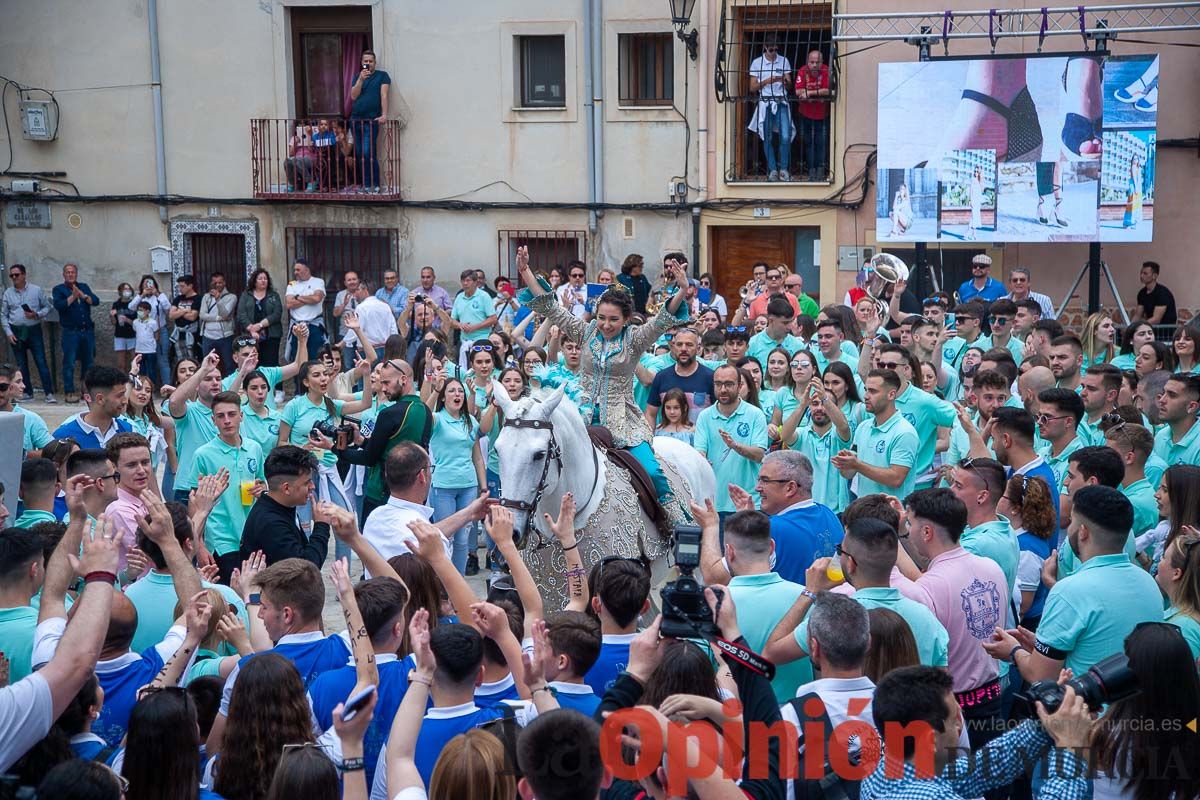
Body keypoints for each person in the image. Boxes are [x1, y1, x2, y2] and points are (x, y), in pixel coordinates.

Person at [519, 247, 693, 522]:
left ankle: (674, 524)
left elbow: (661, 321)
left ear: (626, 319)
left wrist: (682, 289)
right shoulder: (585, 331)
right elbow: (551, 307)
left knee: (651, 470)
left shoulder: (635, 339)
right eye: (601, 318)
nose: (606, 325)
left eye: (613, 319)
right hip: (580, 416)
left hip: (622, 421)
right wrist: (526, 271)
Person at [986, 487, 1161, 682]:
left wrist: (1014, 650)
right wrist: (1042, 647)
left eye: (1071, 522)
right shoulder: (1149, 582)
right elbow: (1097, 644)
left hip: (1086, 708)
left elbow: (1040, 676)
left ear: (1083, 532)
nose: (1068, 529)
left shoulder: (1069, 591)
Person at [864, 665, 1095, 800]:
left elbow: (986, 767)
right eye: (955, 717)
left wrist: (1045, 720)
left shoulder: (884, 770)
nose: (960, 723)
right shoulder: (933, 796)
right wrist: (1070, 747)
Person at [0, 515, 119, 773]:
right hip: (48, 762)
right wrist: (101, 575)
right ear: (35, 570)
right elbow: (78, 663)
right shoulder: (48, 636)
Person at [894, 489, 1010, 749]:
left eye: (910, 523)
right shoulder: (991, 568)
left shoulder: (927, 589)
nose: (908, 530)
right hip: (992, 698)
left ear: (927, 533)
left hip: (953, 711)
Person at [207, 558, 354, 756]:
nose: (259, 615)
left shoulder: (246, 671)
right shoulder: (349, 650)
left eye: (264, 607)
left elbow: (214, 748)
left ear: (287, 615)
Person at [694, 507, 810, 701]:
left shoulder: (712, 602)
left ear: (729, 552)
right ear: (772, 547)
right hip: (797, 719)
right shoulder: (805, 597)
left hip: (735, 719)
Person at [358, 442, 491, 573]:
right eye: (430, 468)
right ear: (422, 476)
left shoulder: (374, 518)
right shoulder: (432, 545)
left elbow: (427, 532)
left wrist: (469, 514)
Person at [193, 391, 266, 581]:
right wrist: (199, 545)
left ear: (241, 416)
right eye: (220, 416)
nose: (227, 420)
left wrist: (262, 489)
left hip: (252, 535)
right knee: (230, 598)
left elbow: (262, 481)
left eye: (232, 414)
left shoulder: (254, 448)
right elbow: (193, 503)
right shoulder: (203, 454)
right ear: (213, 420)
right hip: (221, 539)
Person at [833, 369, 920, 501]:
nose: (866, 396)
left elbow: (896, 478)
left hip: (891, 515)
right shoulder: (863, 427)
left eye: (873, 391)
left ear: (891, 395)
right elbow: (850, 474)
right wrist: (845, 464)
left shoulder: (904, 432)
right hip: (864, 510)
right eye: (866, 390)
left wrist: (857, 464)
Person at [695, 363, 769, 520]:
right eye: (718, 384)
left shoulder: (756, 414)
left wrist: (735, 446)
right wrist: (701, 461)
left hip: (748, 502)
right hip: (715, 503)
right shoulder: (705, 416)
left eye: (728, 384)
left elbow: (759, 454)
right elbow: (700, 451)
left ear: (740, 385)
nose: (722, 390)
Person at [239, 446, 330, 566]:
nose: (313, 486)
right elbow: (307, 568)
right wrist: (321, 525)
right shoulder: (271, 524)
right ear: (286, 488)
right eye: (307, 482)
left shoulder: (281, 504)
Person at [168, 351, 223, 503]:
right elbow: (174, 402)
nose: (215, 382)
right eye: (208, 379)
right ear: (197, 385)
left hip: (220, 488)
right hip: (190, 489)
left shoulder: (226, 415)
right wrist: (203, 370)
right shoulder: (189, 411)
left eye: (218, 379)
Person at [3, 263, 55, 402]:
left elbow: (48, 307)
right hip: (16, 331)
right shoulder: (8, 293)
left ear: (24, 275)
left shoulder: (36, 290)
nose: (14, 277)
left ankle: (49, 393)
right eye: (12, 275)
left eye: (17, 275)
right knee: (21, 363)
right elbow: (4, 314)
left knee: (41, 361)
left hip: (33, 330)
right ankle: (27, 392)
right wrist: (8, 332)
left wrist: (36, 314)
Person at [644, 328, 715, 427]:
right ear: (673, 347)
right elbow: (650, 414)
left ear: (698, 349)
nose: (683, 349)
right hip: (667, 440)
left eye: (689, 345)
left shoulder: (710, 377)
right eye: (679, 344)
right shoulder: (662, 377)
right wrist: (650, 440)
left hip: (700, 441)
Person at [52, 263, 100, 403]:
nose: (70, 274)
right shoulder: (58, 289)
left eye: (73, 272)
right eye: (68, 272)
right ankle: (69, 392)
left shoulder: (83, 286)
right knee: (69, 363)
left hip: (87, 331)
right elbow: (59, 306)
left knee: (89, 362)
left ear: (76, 274)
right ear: (64, 275)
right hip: (70, 332)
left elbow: (95, 301)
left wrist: (83, 296)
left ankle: (86, 391)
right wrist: (73, 296)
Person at [52, 366, 133, 449]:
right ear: (100, 399)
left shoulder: (129, 430)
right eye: (120, 395)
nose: (125, 401)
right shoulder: (63, 437)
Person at [748, 38, 793, 181]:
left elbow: (790, 84)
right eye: (771, 50)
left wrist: (784, 81)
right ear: (765, 48)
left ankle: (784, 169)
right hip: (765, 102)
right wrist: (767, 81)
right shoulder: (756, 63)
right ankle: (773, 169)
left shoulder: (784, 60)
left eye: (776, 50)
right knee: (767, 137)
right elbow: (752, 87)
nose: (774, 53)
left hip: (781, 101)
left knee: (785, 135)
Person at [349, 49, 391, 192]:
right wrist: (361, 79)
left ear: (375, 63)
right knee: (361, 154)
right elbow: (353, 96)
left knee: (368, 153)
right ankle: (366, 185)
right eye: (365, 61)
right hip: (355, 120)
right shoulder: (357, 77)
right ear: (361, 63)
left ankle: (376, 184)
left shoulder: (382, 76)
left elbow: (384, 95)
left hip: (371, 121)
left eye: (370, 61)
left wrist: (384, 114)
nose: (368, 64)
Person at [284, 259, 328, 372]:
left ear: (306, 269)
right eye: (294, 270)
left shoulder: (318, 282)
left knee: (316, 358)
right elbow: (289, 304)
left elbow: (317, 298)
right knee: (297, 359)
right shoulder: (291, 284)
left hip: (314, 326)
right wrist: (309, 298)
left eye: (298, 269)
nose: (295, 272)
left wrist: (297, 297)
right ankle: (298, 387)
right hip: (297, 327)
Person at [236, 268, 284, 369]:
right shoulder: (246, 295)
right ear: (254, 281)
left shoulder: (274, 295)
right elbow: (241, 314)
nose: (263, 281)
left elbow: (277, 314)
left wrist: (260, 325)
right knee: (252, 362)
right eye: (260, 278)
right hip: (250, 336)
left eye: (265, 279)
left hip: (271, 335)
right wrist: (252, 330)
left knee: (271, 364)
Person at [795, 49, 830, 181]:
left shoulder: (826, 70)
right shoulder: (803, 71)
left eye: (817, 62)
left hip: (822, 115)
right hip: (805, 114)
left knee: (821, 143)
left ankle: (820, 171)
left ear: (822, 62)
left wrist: (810, 93)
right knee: (809, 143)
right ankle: (811, 171)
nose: (814, 65)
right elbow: (798, 91)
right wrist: (818, 93)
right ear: (807, 62)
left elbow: (828, 90)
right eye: (812, 62)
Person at [1152, 373, 1200, 468]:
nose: (1162, 400)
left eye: (1172, 395)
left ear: (1191, 407)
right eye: (1163, 393)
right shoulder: (1160, 436)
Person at [198, 273, 237, 373]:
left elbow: (225, 314)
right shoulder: (206, 297)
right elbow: (202, 315)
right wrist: (217, 318)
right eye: (215, 283)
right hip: (208, 336)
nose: (217, 285)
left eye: (220, 282)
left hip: (225, 337)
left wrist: (218, 299)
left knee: (229, 364)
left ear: (224, 283)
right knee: (208, 364)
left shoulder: (231, 297)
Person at [1131, 259, 1177, 332]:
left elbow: (1156, 319)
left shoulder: (1162, 293)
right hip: (1150, 330)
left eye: (1145, 273)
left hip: (1165, 333)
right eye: (1141, 273)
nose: (1141, 276)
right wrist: (1130, 327)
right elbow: (1137, 315)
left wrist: (1138, 327)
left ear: (1154, 276)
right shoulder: (1142, 293)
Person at [169, 274, 201, 364]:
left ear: (190, 286)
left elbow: (192, 317)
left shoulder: (198, 299)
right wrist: (185, 311)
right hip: (178, 334)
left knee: (193, 360)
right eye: (179, 286)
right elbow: (171, 315)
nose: (180, 288)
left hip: (192, 334)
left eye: (182, 286)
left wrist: (178, 311)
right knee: (180, 361)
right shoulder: (178, 299)